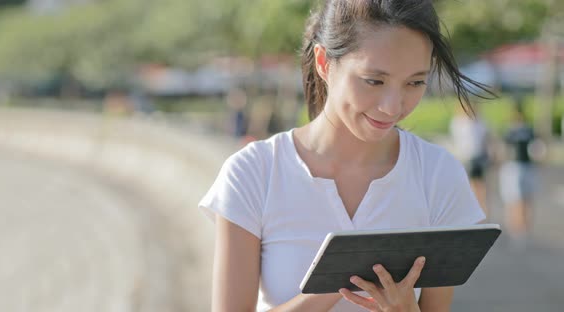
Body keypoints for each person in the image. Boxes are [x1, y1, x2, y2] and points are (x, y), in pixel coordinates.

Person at [199, 1, 493, 311]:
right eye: (374, 81)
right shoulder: (253, 172)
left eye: (415, 82)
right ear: (324, 62)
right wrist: (338, 281)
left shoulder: (438, 175)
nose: (393, 107)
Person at [499, 105, 537, 247]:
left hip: (527, 166)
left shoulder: (529, 130)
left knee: (527, 198)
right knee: (515, 199)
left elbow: (537, 148)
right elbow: (503, 149)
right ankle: (515, 229)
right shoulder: (510, 131)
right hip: (513, 167)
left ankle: (525, 228)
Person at [449, 104, 491, 215]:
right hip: (468, 156)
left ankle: (480, 208)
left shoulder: (473, 122)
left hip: (474, 156)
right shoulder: (462, 122)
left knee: (477, 185)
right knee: (474, 185)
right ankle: (478, 209)